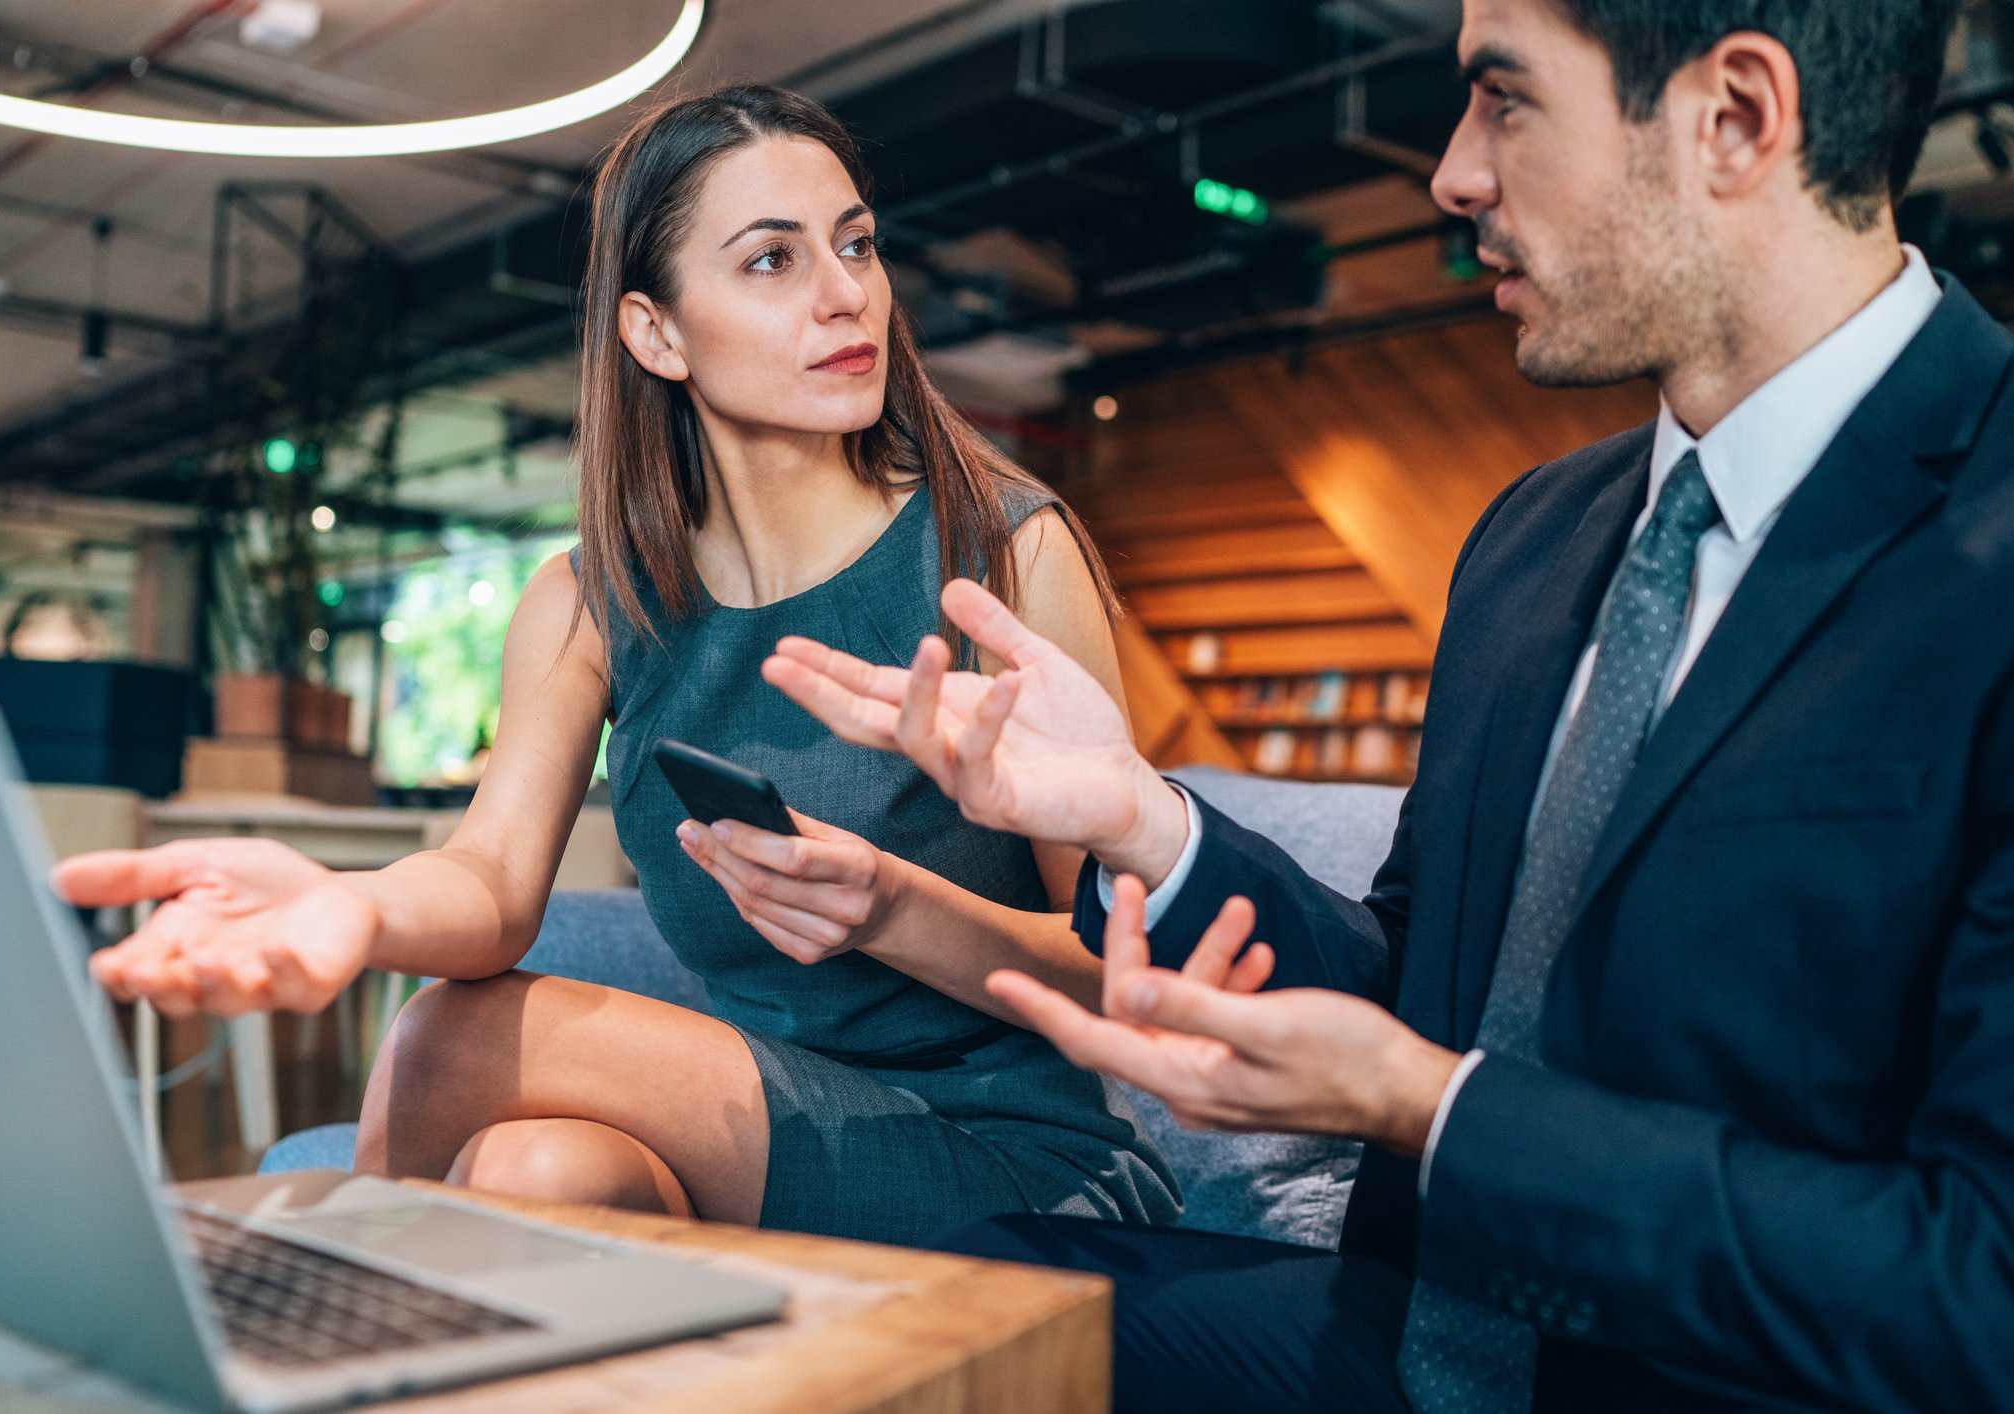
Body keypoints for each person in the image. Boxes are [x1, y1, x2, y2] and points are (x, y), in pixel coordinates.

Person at [765, 0, 2010, 1408]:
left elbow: (1979, 1291)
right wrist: (1147, 821)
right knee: (943, 1324)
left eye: (1504, 97)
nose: (1453, 173)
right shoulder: (1535, 534)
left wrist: (1436, 1110)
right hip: (1413, 1328)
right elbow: (1417, 969)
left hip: (1717, 1374)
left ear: (1735, 117)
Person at [53, 85, 1183, 1248]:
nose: (847, 295)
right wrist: (347, 899)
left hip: (1019, 1157)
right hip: (773, 1122)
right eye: (772, 261)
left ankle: (323, 1345)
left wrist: (896, 909)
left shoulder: (1003, 548)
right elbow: (490, 887)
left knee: (451, 1036)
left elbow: (1129, 974)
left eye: (855, 244)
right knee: (530, 1163)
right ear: (655, 333)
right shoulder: (591, 601)